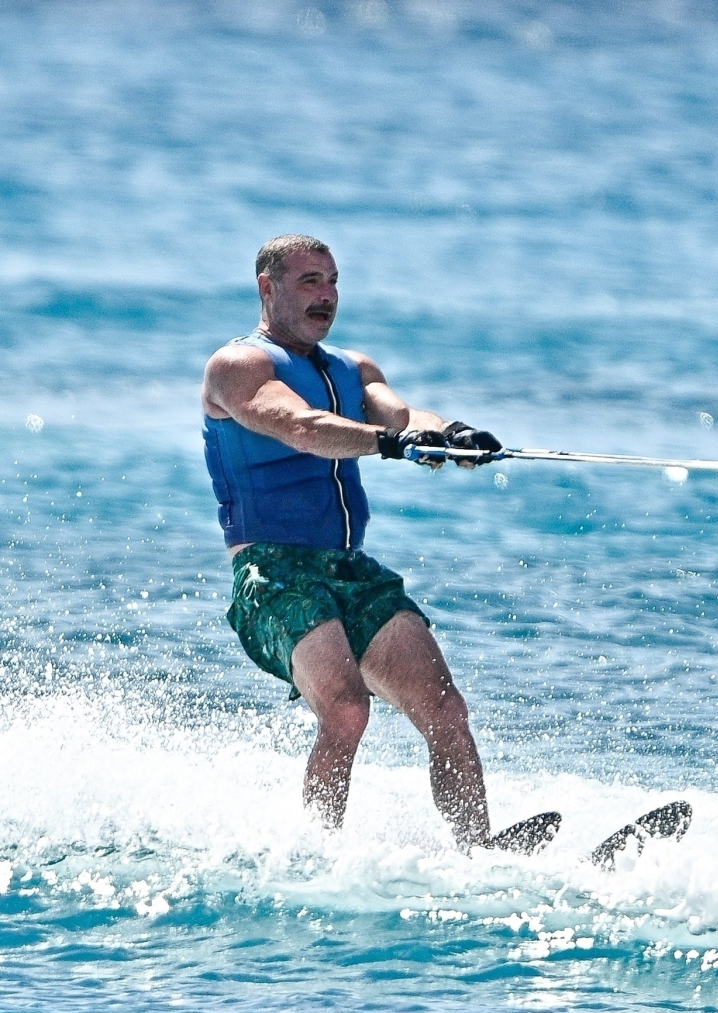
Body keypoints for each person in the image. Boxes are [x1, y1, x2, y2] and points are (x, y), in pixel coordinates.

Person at [201, 234, 506, 851]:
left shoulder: (353, 369)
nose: (327, 296)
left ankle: (478, 852)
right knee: (345, 708)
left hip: (347, 567)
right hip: (273, 572)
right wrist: (385, 444)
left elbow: (400, 416)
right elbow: (300, 427)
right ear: (268, 288)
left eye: (333, 281)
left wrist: (453, 434)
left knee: (446, 711)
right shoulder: (239, 367)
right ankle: (320, 855)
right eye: (310, 281)